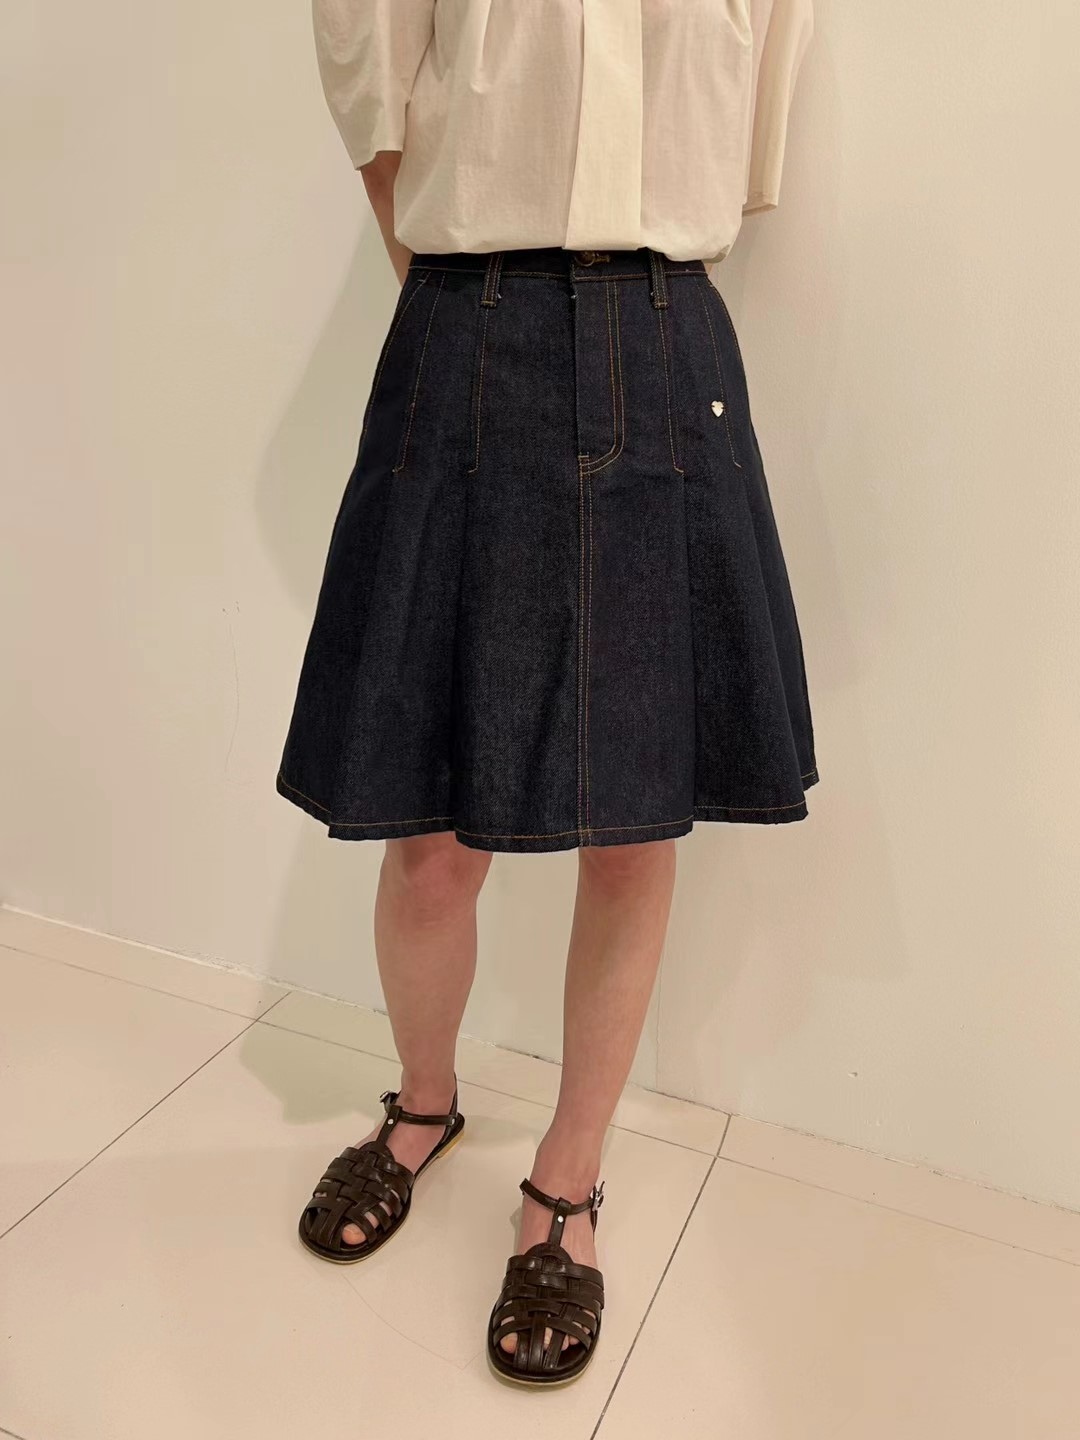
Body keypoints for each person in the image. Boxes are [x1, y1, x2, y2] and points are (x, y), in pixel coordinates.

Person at [278, 0, 817, 1388]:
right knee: (428, 825)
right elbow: (367, 65)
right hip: (466, 319)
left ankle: (567, 1184)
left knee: (634, 819)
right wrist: (454, 263)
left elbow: (746, 136)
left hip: (667, 334)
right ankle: (424, 1107)